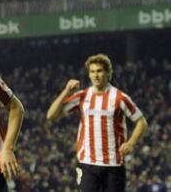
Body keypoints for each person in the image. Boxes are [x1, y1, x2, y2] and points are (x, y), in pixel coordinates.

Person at [46, 54, 148, 192]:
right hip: (87, 163)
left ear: (108, 73)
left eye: (99, 71)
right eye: (92, 71)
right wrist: (66, 91)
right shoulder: (82, 96)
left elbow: (141, 122)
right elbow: (51, 116)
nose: (96, 75)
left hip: (114, 164)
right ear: (89, 74)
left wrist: (131, 143)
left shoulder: (119, 98)